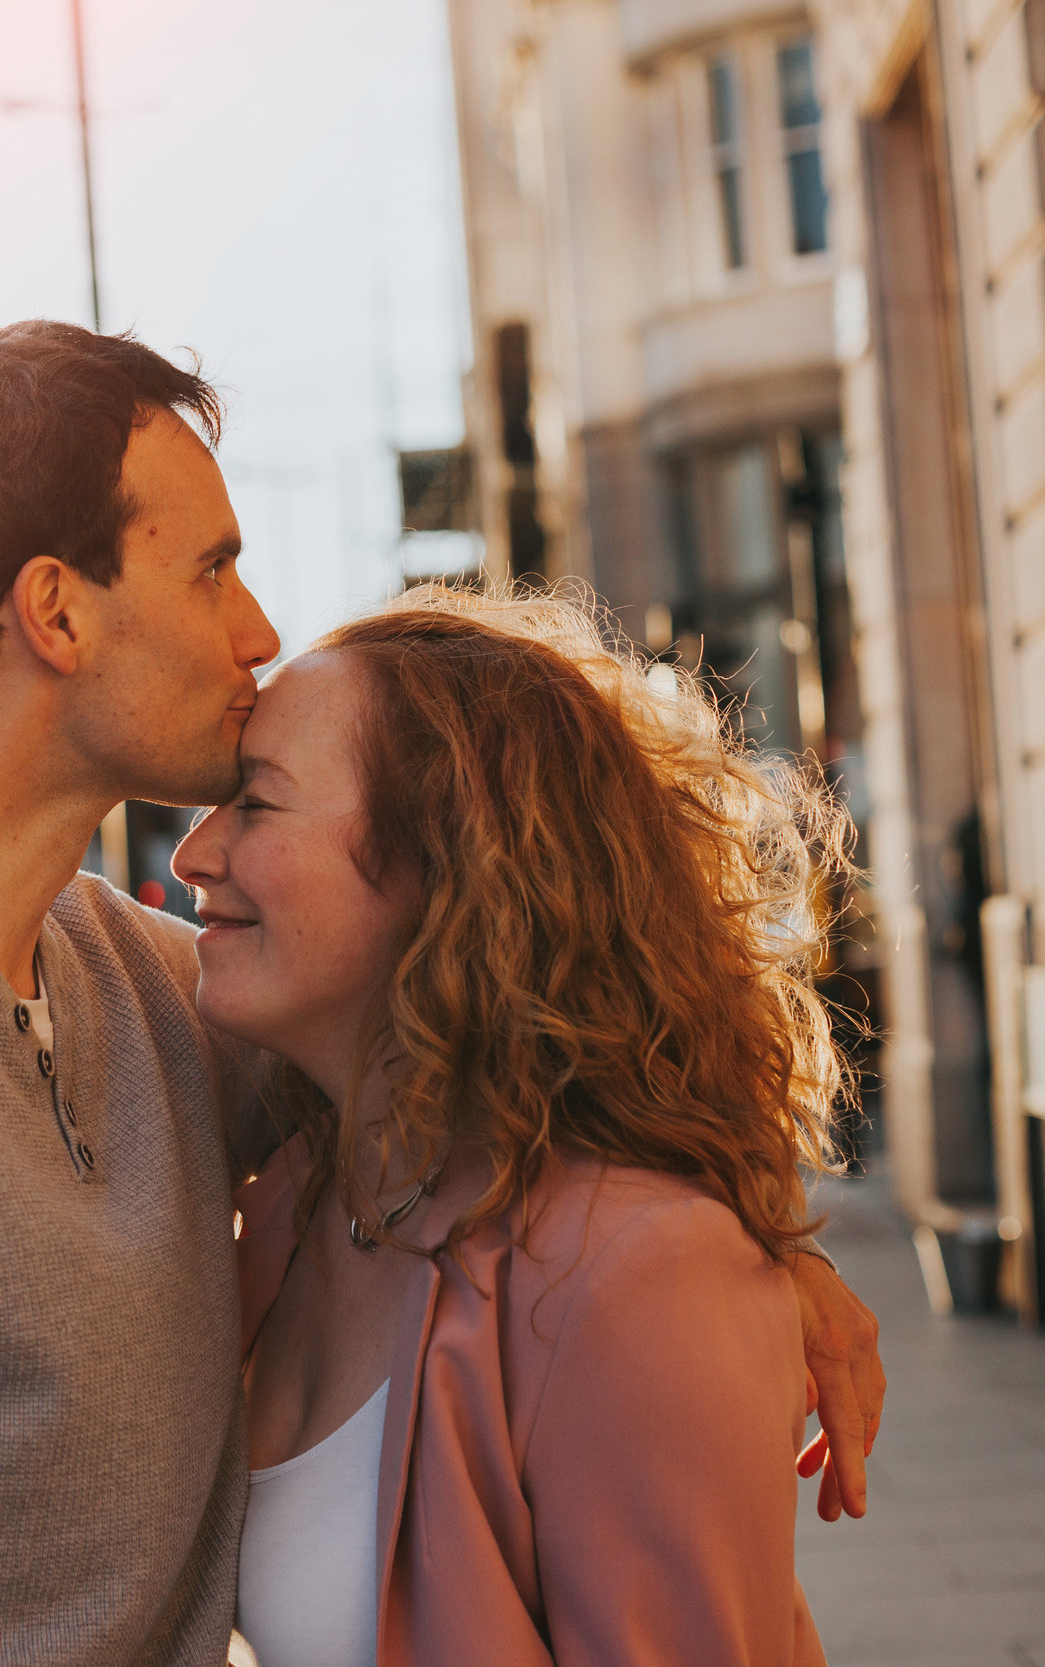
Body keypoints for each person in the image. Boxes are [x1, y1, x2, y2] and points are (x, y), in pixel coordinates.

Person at [0, 322, 882, 1665]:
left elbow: (521, 1049)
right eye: (211, 566)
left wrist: (764, 1267)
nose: (257, 627)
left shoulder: (166, 992)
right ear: (57, 610)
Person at [180, 587, 848, 1666]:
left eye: (254, 804)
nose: (193, 854)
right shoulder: (304, 1196)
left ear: (443, 862)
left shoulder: (635, 1269)